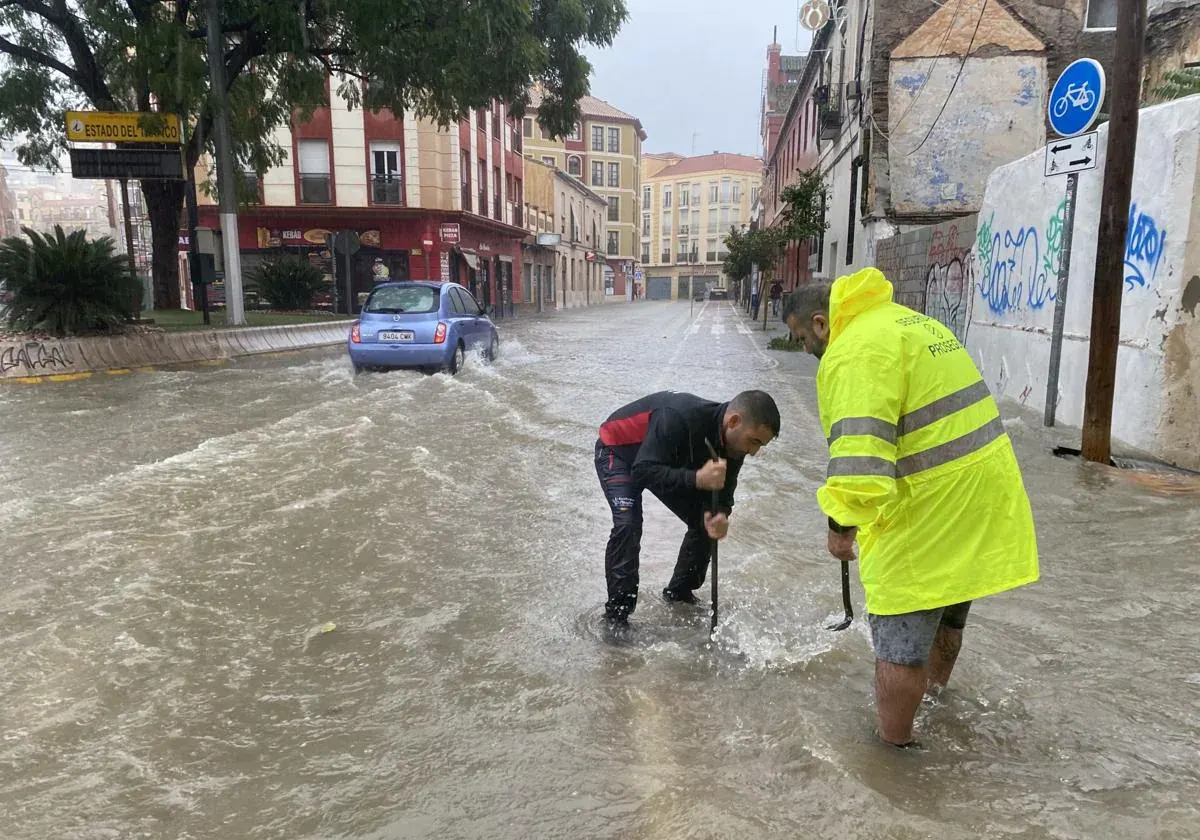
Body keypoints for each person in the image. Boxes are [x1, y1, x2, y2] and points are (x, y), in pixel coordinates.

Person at [782, 269, 1039, 747]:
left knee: (899, 646)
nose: (804, 350)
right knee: (948, 615)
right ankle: (935, 702)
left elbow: (859, 462)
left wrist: (841, 528)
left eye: (800, 339)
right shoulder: (910, 323)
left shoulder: (854, 350)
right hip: (982, 499)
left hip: (931, 509)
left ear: (820, 324)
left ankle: (895, 754)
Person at [594, 390, 781, 624]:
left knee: (706, 521)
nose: (754, 452)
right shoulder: (679, 416)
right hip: (618, 453)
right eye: (754, 441)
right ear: (734, 421)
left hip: (662, 463)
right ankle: (616, 616)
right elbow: (641, 472)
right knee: (628, 525)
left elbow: (723, 495)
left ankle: (679, 595)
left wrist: (719, 517)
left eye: (760, 445)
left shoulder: (734, 444)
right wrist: (696, 479)